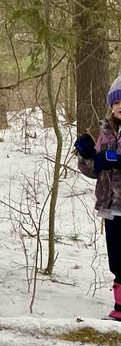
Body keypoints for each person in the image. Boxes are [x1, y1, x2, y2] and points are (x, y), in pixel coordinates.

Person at [75, 73, 121, 321]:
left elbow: (114, 160)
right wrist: (86, 154)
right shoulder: (106, 132)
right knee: (117, 260)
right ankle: (120, 307)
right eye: (116, 103)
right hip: (110, 206)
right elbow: (94, 170)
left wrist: (115, 159)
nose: (120, 107)